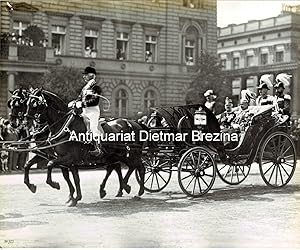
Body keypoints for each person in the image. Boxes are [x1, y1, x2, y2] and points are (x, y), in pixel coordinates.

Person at [69, 66, 104, 157]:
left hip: (93, 111)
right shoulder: (85, 88)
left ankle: (98, 148)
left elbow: (94, 101)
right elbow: (80, 98)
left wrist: (82, 104)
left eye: (86, 75)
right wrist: (74, 102)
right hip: (84, 111)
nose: (84, 77)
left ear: (92, 75)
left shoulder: (96, 88)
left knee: (93, 128)